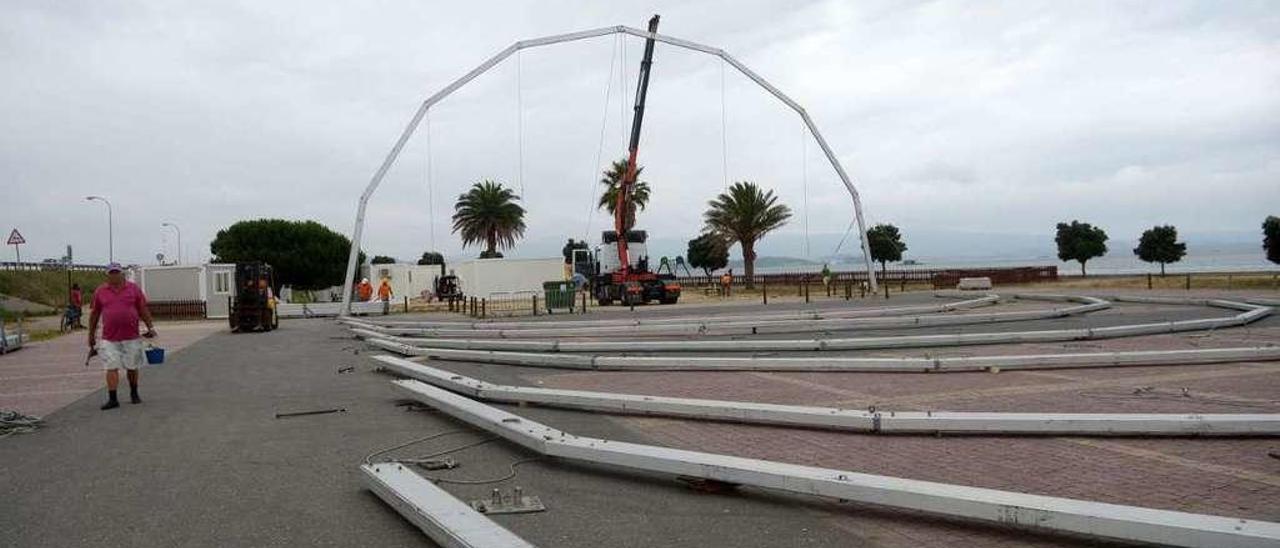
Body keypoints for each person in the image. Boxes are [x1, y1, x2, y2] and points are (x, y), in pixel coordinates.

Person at [88, 263, 156, 410]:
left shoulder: (133, 289)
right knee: (111, 366)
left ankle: (134, 393)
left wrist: (150, 327)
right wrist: (91, 335)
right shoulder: (100, 291)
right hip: (109, 338)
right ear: (107, 275)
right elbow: (94, 314)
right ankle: (113, 399)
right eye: (111, 273)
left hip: (131, 336)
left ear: (122, 274)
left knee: (132, 366)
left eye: (116, 272)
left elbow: (142, 309)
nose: (114, 275)